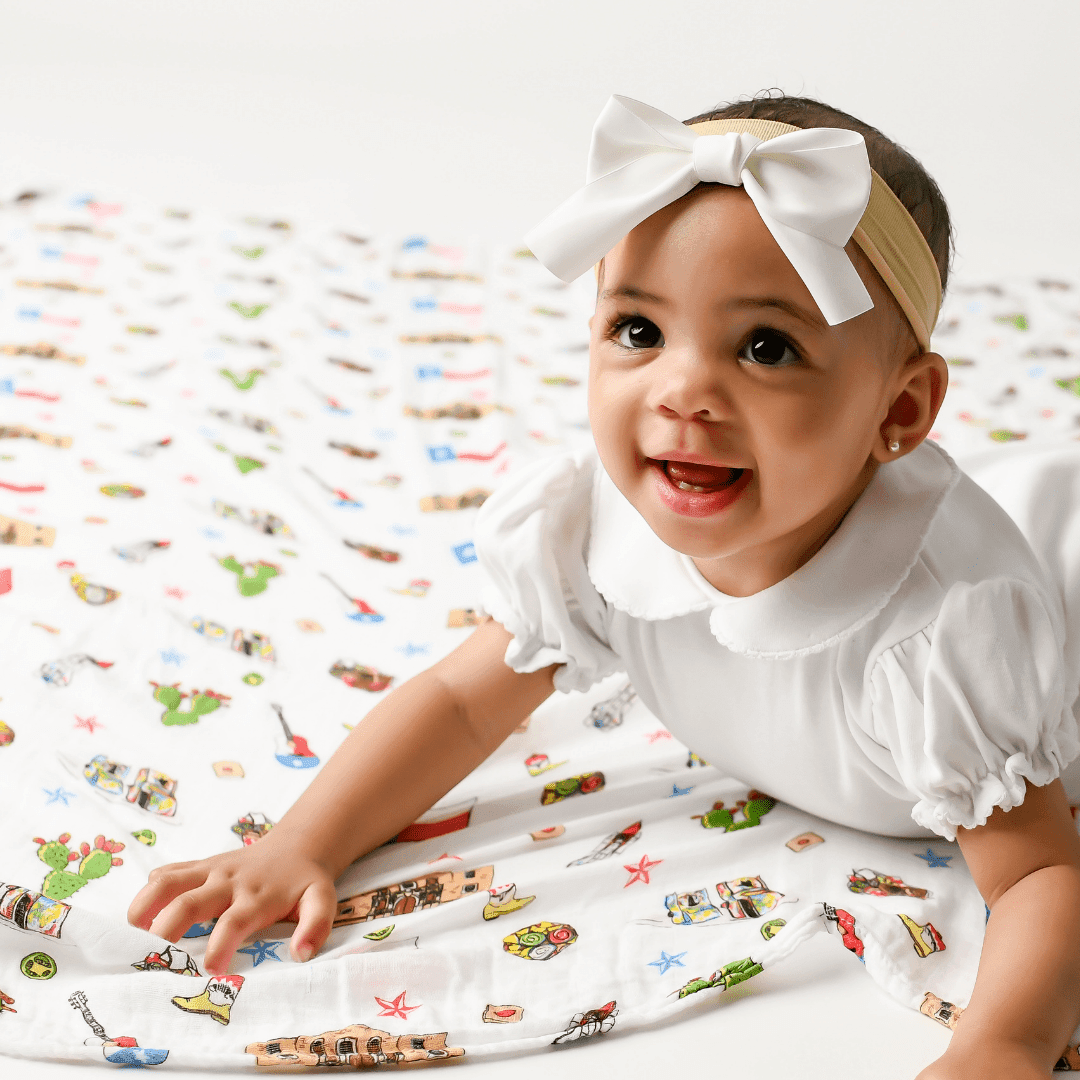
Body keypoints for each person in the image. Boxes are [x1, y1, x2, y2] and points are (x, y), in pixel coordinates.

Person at [128, 93, 1080, 1078]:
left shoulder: (945, 631)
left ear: (902, 408)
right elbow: (461, 699)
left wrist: (1003, 1044)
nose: (682, 391)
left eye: (766, 347)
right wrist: (303, 842)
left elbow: (1042, 871)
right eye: (637, 329)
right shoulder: (592, 531)